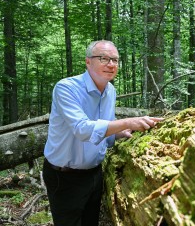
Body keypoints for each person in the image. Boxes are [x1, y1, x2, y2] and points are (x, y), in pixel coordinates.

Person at [43, 40, 163, 226]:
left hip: (94, 174)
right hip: (65, 177)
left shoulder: (110, 91)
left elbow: (101, 133)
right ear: (88, 61)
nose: (111, 64)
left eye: (115, 60)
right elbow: (83, 129)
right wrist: (127, 121)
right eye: (104, 58)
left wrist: (120, 132)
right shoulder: (66, 88)